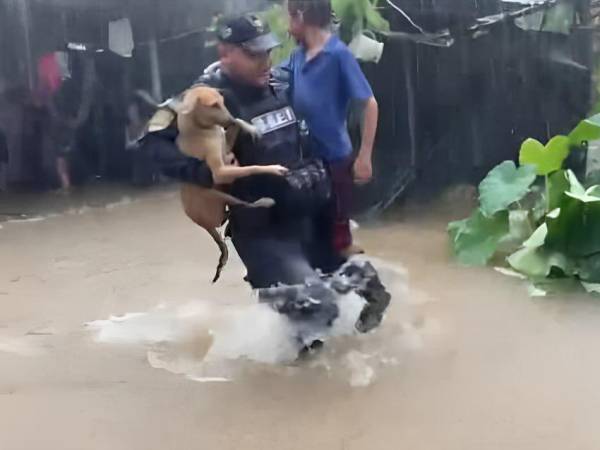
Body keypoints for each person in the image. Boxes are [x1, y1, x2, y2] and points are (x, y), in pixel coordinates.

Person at [149, 14, 341, 289]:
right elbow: (152, 142)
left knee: (365, 298)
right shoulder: (202, 99)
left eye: (268, 52)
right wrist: (203, 173)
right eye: (254, 55)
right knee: (313, 305)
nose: (265, 62)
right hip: (263, 232)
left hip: (307, 214)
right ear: (225, 53)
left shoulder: (282, 82)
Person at [285, 0, 379, 257]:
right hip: (305, 161)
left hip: (335, 159)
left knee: (339, 240)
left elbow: (369, 104)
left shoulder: (337, 55)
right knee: (310, 236)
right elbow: (275, 82)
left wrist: (365, 156)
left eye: (289, 16)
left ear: (301, 16)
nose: (286, 24)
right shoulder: (297, 56)